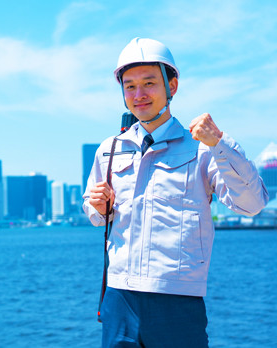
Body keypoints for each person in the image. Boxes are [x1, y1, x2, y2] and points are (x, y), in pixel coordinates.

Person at [83, 37, 269, 348]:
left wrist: (220, 144)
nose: (139, 95)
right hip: (118, 296)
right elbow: (95, 214)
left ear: (173, 86)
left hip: (177, 299)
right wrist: (98, 207)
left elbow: (252, 204)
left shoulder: (202, 149)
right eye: (129, 86)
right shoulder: (110, 149)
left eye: (149, 83)